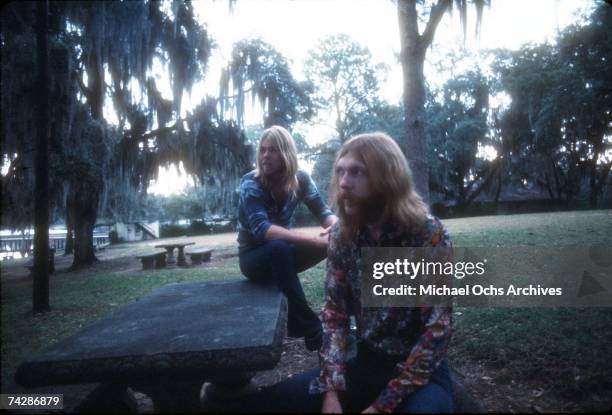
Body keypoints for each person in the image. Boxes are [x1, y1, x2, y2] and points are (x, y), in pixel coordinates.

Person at [239, 132, 453, 413]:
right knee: (265, 406)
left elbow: (437, 330)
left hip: (421, 375)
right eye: (340, 171)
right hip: (368, 362)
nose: (343, 182)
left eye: (356, 172)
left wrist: (380, 407)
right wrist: (331, 393)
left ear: (387, 177)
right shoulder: (344, 236)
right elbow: (335, 318)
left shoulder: (428, 235)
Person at [238, 125, 338, 352]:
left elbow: (324, 212)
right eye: (262, 150)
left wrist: (336, 229)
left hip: (283, 255)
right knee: (277, 247)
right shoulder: (250, 182)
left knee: (339, 241)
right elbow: (263, 230)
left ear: (286, 153)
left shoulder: (300, 179)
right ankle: (309, 326)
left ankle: (349, 312)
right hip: (254, 259)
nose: (265, 155)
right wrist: (314, 241)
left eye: (272, 150)